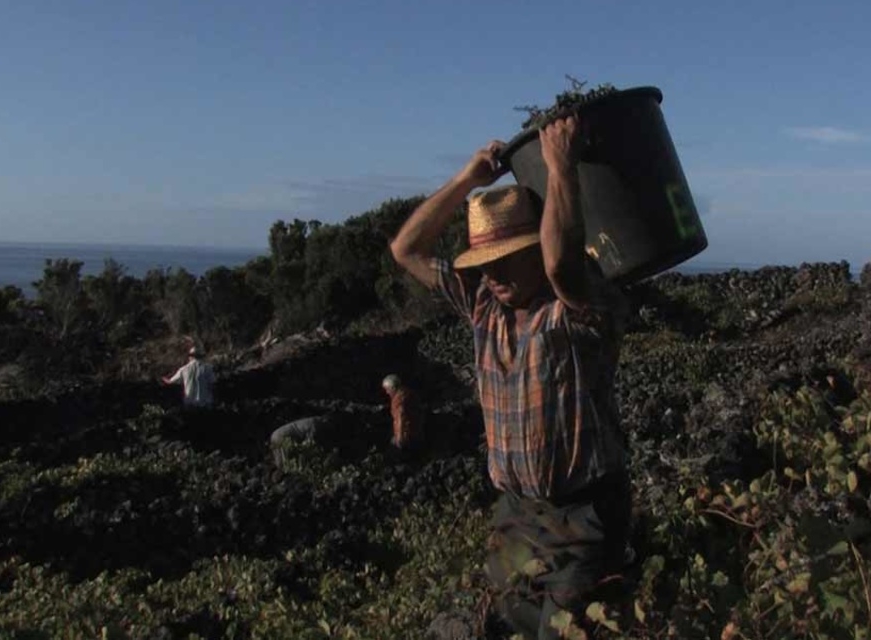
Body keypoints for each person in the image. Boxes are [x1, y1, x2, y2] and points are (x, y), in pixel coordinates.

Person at [390, 115, 632, 638]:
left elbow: (563, 266)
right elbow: (404, 250)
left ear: (533, 251)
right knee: (502, 626)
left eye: (504, 259)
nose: (492, 274)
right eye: (484, 262)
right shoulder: (482, 306)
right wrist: (467, 181)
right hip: (518, 516)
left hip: (586, 515)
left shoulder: (579, 310)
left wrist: (560, 169)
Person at [269, 374, 418, 468]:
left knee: (288, 460)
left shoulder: (399, 400)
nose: (386, 393)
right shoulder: (406, 395)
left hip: (286, 435)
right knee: (286, 460)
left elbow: (401, 418)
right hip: (283, 437)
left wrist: (400, 438)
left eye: (387, 390)